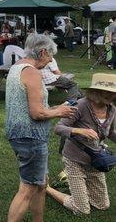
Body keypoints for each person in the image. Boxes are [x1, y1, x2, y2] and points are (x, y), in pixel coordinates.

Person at [5, 34, 77, 222]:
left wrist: (55, 108)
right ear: (42, 52)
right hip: (30, 137)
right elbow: (37, 113)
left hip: (19, 133)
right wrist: (59, 111)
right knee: (27, 189)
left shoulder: (16, 67)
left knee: (41, 183)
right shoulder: (32, 72)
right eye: (51, 55)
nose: (52, 60)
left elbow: (27, 106)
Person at [47, 73, 116, 215]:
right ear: (96, 91)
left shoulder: (112, 109)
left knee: (102, 205)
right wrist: (80, 131)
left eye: (113, 92)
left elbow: (110, 133)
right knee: (82, 209)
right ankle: (46, 188)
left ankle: (75, 185)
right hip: (74, 159)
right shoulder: (81, 105)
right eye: (107, 91)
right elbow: (58, 128)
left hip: (95, 160)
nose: (110, 95)